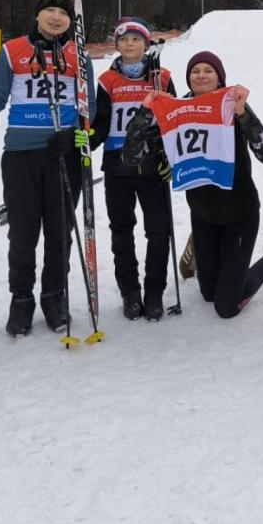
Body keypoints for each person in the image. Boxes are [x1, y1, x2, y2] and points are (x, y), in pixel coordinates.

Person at [0, 0, 96, 338]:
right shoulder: (12, 51)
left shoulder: (81, 55)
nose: (57, 17)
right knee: (23, 233)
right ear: (38, 13)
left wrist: (74, 132)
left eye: (64, 13)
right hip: (20, 155)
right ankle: (21, 299)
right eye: (51, 10)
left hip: (63, 156)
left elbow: (88, 107)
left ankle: (53, 296)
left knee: (60, 232)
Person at [128, 51, 263, 320]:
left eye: (208, 70)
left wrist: (243, 114)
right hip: (203, 215)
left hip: (240, 214)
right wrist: (145, 113)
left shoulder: (229, 104)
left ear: (219, 78)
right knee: (208, 293)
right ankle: (199, 253)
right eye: (195, 70)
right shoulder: (176, 109)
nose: (201, 75)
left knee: (226, 307)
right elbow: (132, 156)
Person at [87, 16, 175, 321]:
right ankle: (130, 292)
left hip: (153, 167)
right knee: (121, 231)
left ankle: (154, 292)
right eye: (123, 40)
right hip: (118, 166)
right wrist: (88, 139)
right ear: (117, 45)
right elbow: (101, 123)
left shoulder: (161, 78)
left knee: (159, 232)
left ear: (145, 43)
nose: (129, 44)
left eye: (136, 39)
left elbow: (174, 121)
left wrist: (170, 157)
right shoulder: (107, 81)